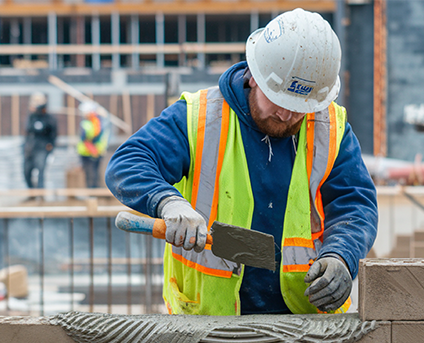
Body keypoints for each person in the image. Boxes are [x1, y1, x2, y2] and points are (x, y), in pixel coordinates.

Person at [106, 9, 378, 316]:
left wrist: (341, 256)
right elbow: (128, 163)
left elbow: (354, 204)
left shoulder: (330, 128)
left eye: (300, 107)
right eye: (280, 101)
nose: (288, 115)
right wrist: (169, 203)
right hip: (209, 323)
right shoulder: (200, 118)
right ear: (253, 75)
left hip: (306, 322)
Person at [23, 92, 57, 190]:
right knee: (27, 171)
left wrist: (50, 147)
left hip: (42, 149)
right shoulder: (31, 117)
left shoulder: (48, 119)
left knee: (40, 171)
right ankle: (32, 192)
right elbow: (28, 130)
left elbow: (53, 134)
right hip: (30, 149)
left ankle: (40, 193)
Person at [77, 101, 110, 188]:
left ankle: (94, 193)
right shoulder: (92, 122)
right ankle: (92, 193)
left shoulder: (96, 122)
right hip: (89, 152)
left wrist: (94, 149)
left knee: (93, 174)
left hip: (94, 151)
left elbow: (93, 138)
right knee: (91, 173)